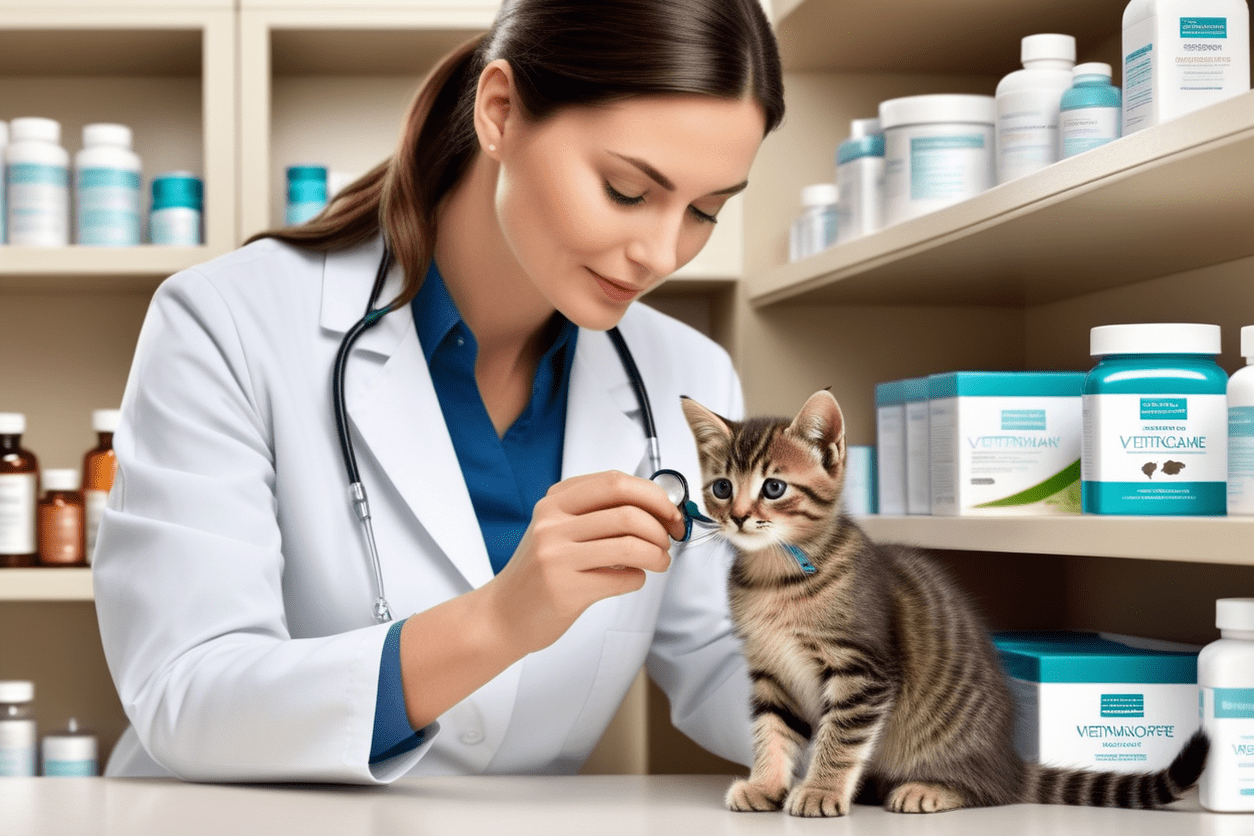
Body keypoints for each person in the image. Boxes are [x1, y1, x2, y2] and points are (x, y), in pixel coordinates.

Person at [93, 0, 784, 782]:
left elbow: (722, 654)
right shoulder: (227, 322)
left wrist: (902, 732)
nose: (662, 252)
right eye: (627, 190)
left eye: (704, 211)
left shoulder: (687, 376)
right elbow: (186, 695)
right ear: (500, 112)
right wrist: (498, 621)